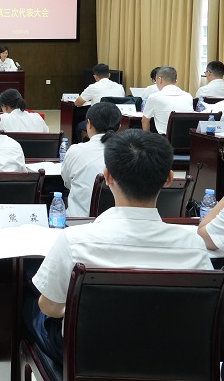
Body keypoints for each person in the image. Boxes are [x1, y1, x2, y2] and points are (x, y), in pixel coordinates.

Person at [27, 130, 212, 367]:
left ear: (107, 176)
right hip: (166, 360)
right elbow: (200, 312)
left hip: (88, 359)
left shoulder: (75, 240)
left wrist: (75, 310)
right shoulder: (194, 246)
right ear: (168, 178)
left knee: (31, 307)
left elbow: (50, 307)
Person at [61, 102, 122, 217]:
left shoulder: (75, 151)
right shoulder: (129, 153)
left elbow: (67, 183)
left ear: (88, 124)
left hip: (78, 222)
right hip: (117, 221)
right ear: (119, 127)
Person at [142, 66, 194, 134]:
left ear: (160, 79)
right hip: (187, 137)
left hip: (164, 138)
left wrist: (147, 139)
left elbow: (144, 121)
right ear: (176, 80)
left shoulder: (154, 97)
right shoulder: (188, 96)